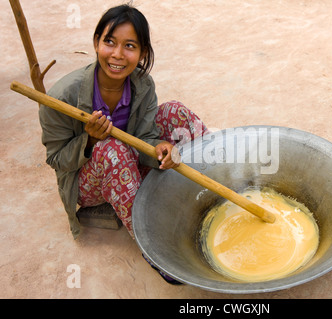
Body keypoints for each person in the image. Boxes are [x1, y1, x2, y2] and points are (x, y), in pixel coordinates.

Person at [39, 4, 208, 284]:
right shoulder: (62, 96)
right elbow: (56, 159)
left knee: (175, 111)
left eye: (129, 46)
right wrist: (90, 139)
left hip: (130, 162)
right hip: (87, 182)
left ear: (142, 53)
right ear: (96, 43)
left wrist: (161, 149)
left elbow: (146, 138)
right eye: (109, 42)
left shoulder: (143, 84)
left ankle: (208, 188)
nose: (117, 55)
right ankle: (157, 249)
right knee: (111, 149)